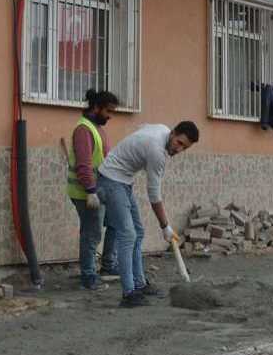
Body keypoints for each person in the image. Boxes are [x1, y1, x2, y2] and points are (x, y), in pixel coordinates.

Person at [97, 121, 200, 307]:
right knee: (127, 234)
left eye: (184, 147)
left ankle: (139, 284)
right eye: (179, 143)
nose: (179, 149)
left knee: (138, 231)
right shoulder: (157, 151)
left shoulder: (162, 130)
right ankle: (128, 294)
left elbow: (141, 129)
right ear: (173, 133)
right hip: (110, 180)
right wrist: (165, 226)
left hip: (123, 180)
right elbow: (154, 195)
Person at [67, 89, 120, 291]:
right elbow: (84, 164)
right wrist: (90, 190)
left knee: (115, 223)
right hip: (86, 193)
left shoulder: (96, 128)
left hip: (100, 190)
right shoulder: (84, 130)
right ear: (96, 107)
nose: (110, 115)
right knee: (91, 234)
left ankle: (108, 265)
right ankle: (89, 277)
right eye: (108, 110)